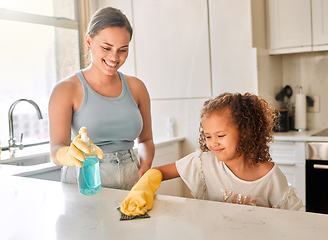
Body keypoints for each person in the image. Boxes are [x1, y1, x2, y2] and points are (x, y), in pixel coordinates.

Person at [48, 7, 154, 190]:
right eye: (106, 48)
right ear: (88, 40)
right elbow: (56, 150)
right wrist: (69, 155)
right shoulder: (66, 90)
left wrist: (144, 168)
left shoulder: (137, 88)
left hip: (131, 177)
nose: (114, 57)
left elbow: (146, 141)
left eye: (123, 49)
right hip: (85, 180)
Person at [150, 92, 302, 210]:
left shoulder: (270, 176)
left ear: (245, 132)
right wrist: (143, 186)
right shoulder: (203, 162)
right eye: (207, 136)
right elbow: (160, 172)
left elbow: (291, 219)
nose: (213, 143)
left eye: (220, 135)